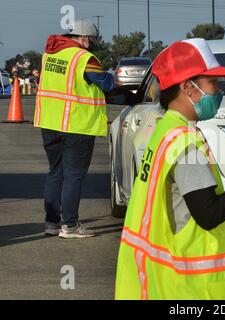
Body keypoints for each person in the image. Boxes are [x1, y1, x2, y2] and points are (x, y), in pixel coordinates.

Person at [115, 38, 225, 300]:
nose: (220, 91)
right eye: (213, 83)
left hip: (159, 279)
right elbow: (208, 214)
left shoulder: (166, 130)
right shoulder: (185, 144)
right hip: (188, 287)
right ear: (188, 87)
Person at [34, 20, 114, 238]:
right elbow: (106, 83)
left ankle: (51, 223)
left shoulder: (49, 55)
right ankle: (70, 226)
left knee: (55, 173)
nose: (94, 44)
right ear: (84, 38)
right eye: (93, 40)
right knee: (73, 176)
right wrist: (112, 77)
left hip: (50, 122)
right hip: (76, 124)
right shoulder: (83, 58)